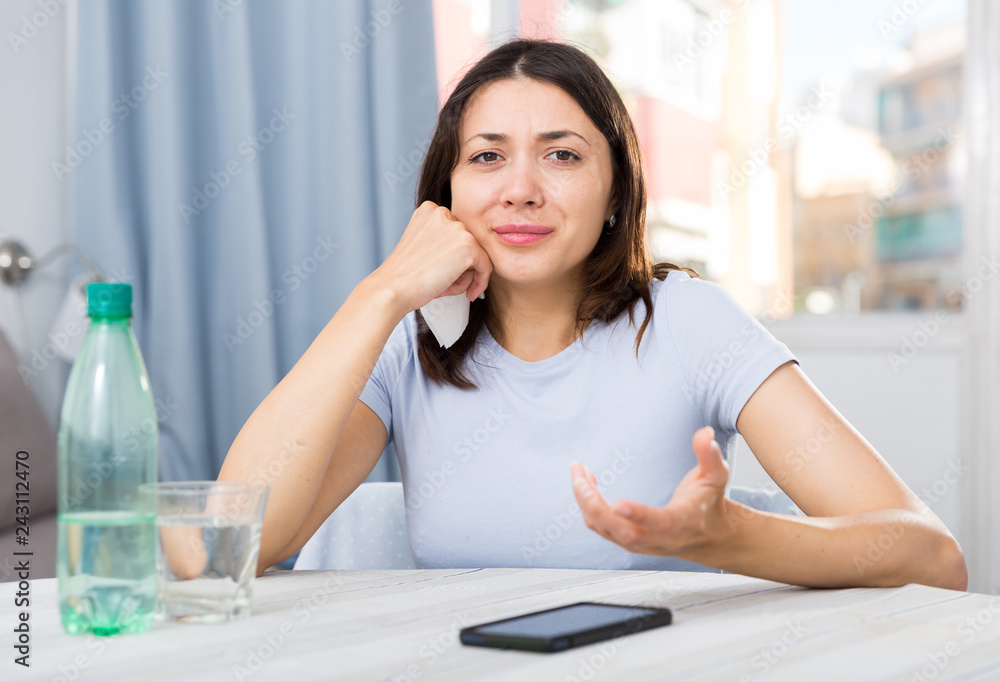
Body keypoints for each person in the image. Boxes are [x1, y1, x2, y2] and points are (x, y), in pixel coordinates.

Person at [218, 39, 967, 590]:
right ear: (445, 192)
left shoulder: (691, 323)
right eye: (486, 157)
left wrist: (730, 537)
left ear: (616, 194)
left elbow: (933, 558)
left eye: (563, 156)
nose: (519, 189)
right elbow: (223, 553)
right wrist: (379, 294)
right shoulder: (405, 342)